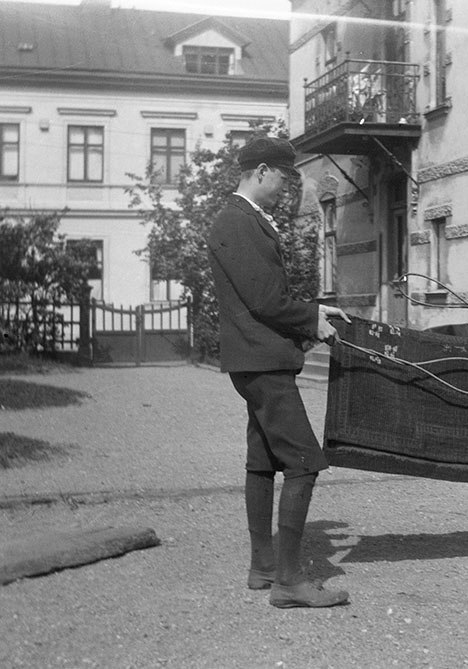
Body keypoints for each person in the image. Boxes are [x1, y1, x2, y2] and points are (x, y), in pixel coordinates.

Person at [208, 136, 352, 608]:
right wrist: (313, 321)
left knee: (263, 460)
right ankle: (289, 580)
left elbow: (264, 293)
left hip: (255, 359)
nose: (286, 190)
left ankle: (263, 566)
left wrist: (315, 308)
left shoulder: (244, 219)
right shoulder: (237, 220)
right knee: (304, 462)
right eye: (284, 180)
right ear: (263, 171)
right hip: (263, 361)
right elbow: (266, 300)